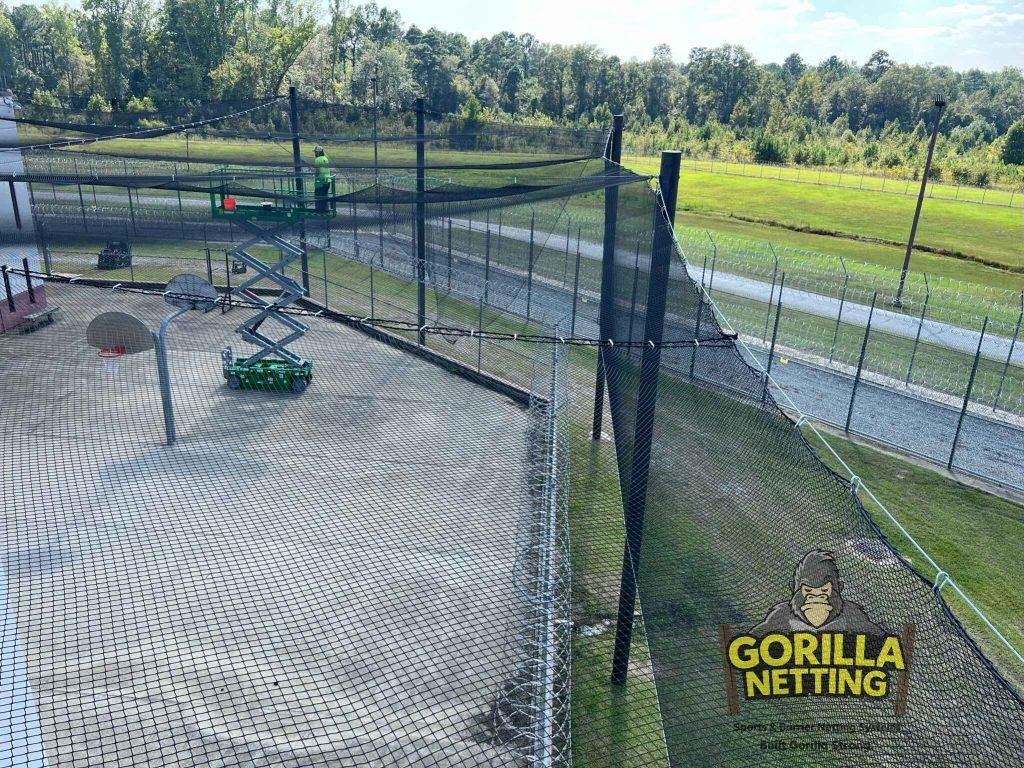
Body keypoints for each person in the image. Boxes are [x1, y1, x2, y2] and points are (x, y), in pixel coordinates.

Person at [313, 145, 332, 213]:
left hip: (321, 180)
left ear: (318, 152)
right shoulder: (325, 158)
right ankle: (325, 209)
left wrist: (316, 178)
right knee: (325, 195)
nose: (315, 153)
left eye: (315, 152)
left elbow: (317, 170)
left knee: (318, 195)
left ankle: (319, 210)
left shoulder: (317, 159)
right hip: (328, 180)